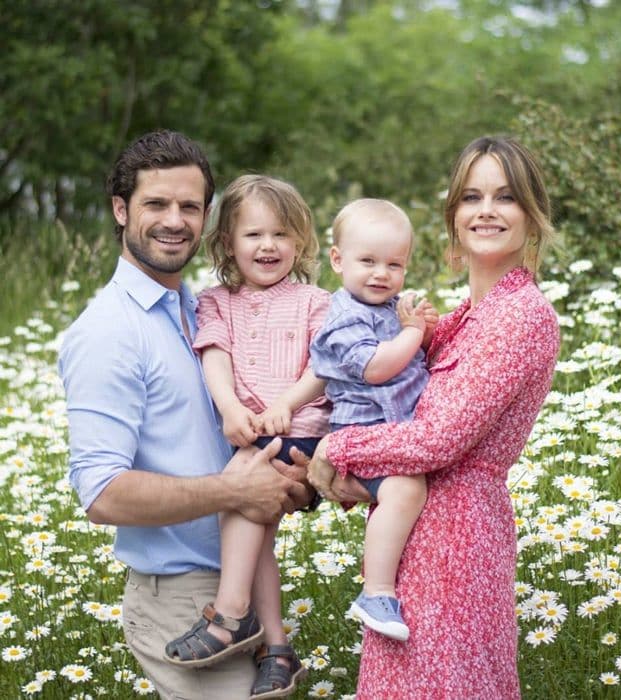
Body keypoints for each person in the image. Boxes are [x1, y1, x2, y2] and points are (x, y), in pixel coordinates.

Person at [58, 131, 311, 700]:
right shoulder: (107, 334)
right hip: (179, 597)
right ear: (121, 210)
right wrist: (234, 491)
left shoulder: (206, 309)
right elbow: (102, 494)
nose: (174, 220)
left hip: (244, 579)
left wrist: (287, 483)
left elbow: (241, 451)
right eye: (156, 204)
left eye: (190, 207)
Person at [307, 136, 560, 698]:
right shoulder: (465, 317)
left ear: (532, 214)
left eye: (506, 197)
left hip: (457, 544)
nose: (487, 210)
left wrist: (337, 449)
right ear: (453, 216)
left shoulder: (522, 316)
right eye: (471, 196)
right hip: (419, 534)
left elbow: (439, 440)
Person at [163, 174, 330, 699]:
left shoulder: (315, 301)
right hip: (249, 433)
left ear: (299, 241)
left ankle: (231, 616)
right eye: (253, 235)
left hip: (299, 432)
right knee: (255, 532)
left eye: (281, 234)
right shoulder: (217, 301)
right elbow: (215, 355)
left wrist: (285, 404)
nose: (268, 246)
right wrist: (230, 407)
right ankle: (276, 650)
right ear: (228, 244)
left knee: (238, 492)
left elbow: (326, 365)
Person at [309, 198, 437, 642]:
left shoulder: (392, 306)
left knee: (409, 492)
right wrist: (413, 334)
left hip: (394, 428)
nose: (381, 274)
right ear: (338, 260)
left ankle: (386, 587)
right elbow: (377, 367)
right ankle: (377, 592)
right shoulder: (343, 317)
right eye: (368, 261)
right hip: (362, 432)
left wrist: (426, 327)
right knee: (404, 490)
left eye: (394, 264)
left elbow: (415, 352)